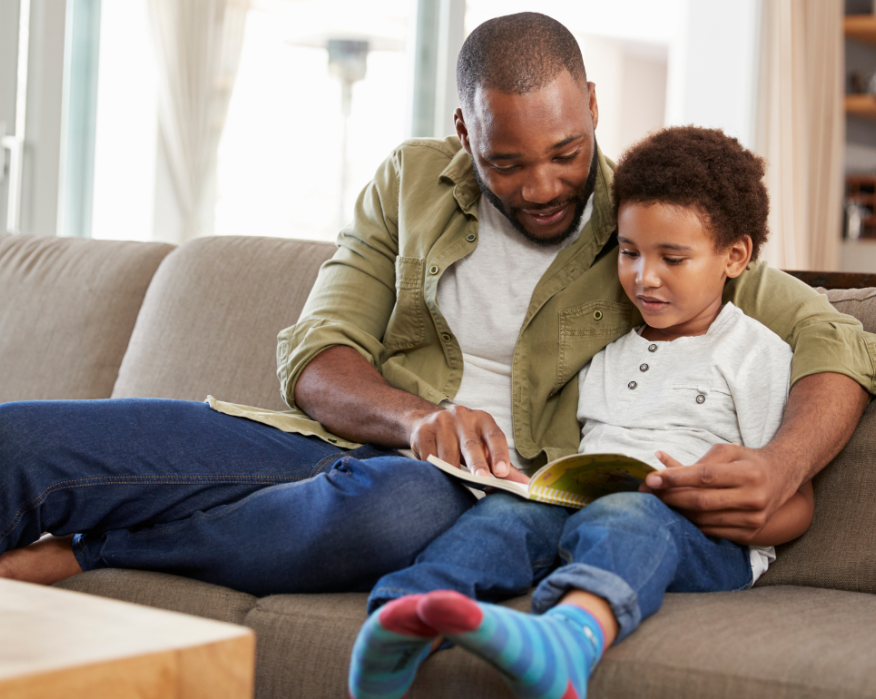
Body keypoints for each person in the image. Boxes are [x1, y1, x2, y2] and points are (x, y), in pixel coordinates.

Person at [0, 14, 876, 598]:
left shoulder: (648, 223)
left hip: (459, 496)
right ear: (462, 130)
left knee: (398, 516)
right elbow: (318, 351)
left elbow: (837, 339)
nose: (543, 186)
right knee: (11, 439)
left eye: (566, 150)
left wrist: (780, 463)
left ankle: (99, 555)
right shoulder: (408, 184)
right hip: (337, 446)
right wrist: (416, 419)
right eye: (508, 161)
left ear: (595, 106)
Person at [348, 126, 816, 699]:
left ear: (734, 256)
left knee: (627, 516)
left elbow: (797, 504)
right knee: (503, 518)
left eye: (673, 258)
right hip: (586, 509)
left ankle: (570, 638)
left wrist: (733, 509)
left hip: (701, 537)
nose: (645, 276)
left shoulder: (756, 353)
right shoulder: (606, 350)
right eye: (629, 252)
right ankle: (404, 617)